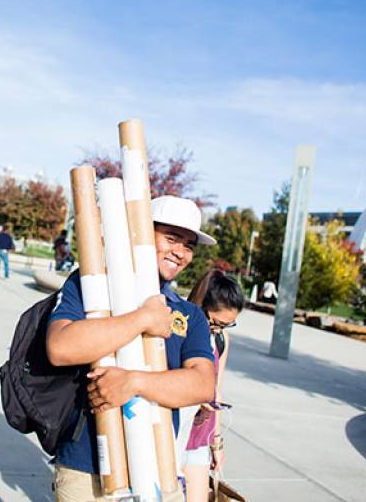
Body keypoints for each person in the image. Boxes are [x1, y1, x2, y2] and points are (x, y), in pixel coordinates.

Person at [45, 196, 218, 502]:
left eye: (189, 245)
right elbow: (60, 347)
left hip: (160, 472)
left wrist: (134, 381)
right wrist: (143, 319)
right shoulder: (93, 284)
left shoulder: (188, 314)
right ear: (139, 231)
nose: (180, 252)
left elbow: (203, 384)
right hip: (87, 470)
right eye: (171, 238)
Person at [181, 270, 245, 502]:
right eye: (216, 323)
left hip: (200, 436)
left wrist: (216, 442)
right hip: (174, 433)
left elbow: (216, 388)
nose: (219, 330)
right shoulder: (179, 329)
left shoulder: (220, 340)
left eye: (228, 325)